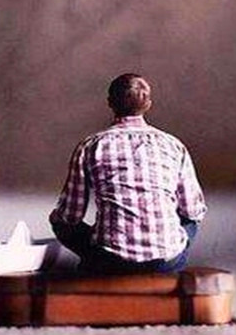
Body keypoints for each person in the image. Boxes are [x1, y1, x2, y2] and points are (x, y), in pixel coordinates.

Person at [49, 73, 207, 274]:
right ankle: (163, 259)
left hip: (111, 260)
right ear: (148, 104)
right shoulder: (173, 145)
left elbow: (70, 215)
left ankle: (97, 266)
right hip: (166, 261)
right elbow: (193, 211)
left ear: (110, 103)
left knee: (61, 222)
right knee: (191, 220)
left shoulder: (90, 146)